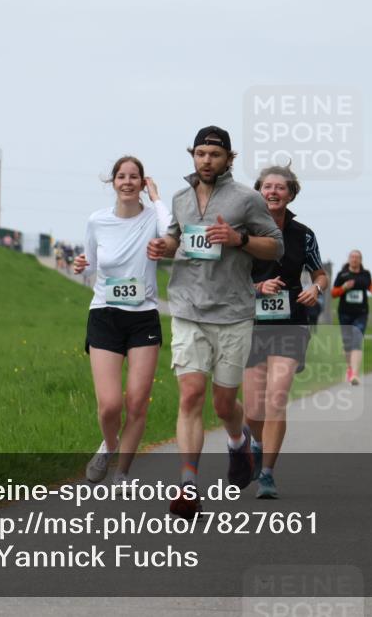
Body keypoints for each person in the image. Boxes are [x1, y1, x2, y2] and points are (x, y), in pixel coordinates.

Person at [147, 126, 283, 519]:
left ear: (228, 159)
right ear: (193, 155)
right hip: (188, 308)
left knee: (224, 404)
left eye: (215, 154)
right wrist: (164, 247)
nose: (206, 160)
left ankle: (239, 440)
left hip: (233, 312)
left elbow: (276, 244)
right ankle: (188, 485)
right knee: (190, 395)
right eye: (201, 153)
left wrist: (238, 240)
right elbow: (176, 239)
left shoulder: (247, 199)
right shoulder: (180, 197)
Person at [73, 156, 170, 488]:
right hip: (105, 315)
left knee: (137, 403)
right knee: (110, 406)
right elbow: (90, 266)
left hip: (143, 318)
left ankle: (124, 474)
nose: (127, 182)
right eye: (121, 177)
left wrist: (156, 197)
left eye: (134, 177)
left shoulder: (151, 220)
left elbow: (171, 231)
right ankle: (109, 445)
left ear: (143, 182)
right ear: (112, 182)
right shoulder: (97, 221)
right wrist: (80, 265)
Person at [243, 162, 328, 499]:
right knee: (253, 407)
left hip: (291, 323)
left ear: (291, 194)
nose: (274, 192)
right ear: (258, 192)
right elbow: (228, 278)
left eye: (281, 187)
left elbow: (320, 273)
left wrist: (315, 290)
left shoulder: (303, 234)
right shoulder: (245, 231)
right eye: (268, 187)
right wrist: (257, 287)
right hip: (251, 324)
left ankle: (267, 474)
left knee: (277, 397)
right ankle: (255, 442)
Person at [332, 250, 372, 385]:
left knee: (357, 340)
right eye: (352, 257)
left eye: (357, 257)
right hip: (345, 312)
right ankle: (350, 369)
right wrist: (344, 288)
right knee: (347, 344)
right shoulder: (342, 274)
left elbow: (371, 287)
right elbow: (333, 293)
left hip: (361, 312)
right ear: (349, 259)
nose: (354, 259)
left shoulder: (365, 274)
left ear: (361, 260)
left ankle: (355, 374)